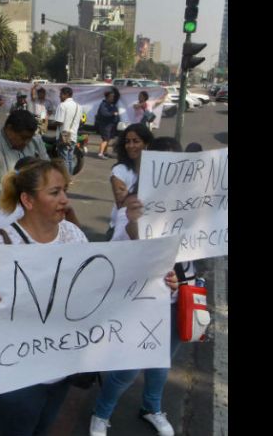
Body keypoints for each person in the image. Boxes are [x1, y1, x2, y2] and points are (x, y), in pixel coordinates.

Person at [0, 159, 88, 436]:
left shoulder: (74, 235)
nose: (65, 200)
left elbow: (93, 291)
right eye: (54, 192)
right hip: (18, 376)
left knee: (42, 429)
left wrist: (154, 284)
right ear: (28, 199)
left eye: (64, 191)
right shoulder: (2, 245)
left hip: (61, 368)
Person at [89, 137, 184, 436]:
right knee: (129, 367)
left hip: (177, 297)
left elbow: (194, 253)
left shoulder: (191, 201)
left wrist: (182, 281)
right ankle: (101, 415)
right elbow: (118, 251)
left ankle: (152, 407)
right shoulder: (132, 202)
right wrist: (132, 222)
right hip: (141, 297)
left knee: (161, 363)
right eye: (160, 162)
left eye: (174, 162)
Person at [0, 109, 49, 220]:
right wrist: (16, 191)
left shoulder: (35, 141)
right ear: (9, 129)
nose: (26, 142)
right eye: (23, 137)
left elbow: (47, 168)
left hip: (30, 214)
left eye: (29, 138)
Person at [106, 123, 154, 239]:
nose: (131, 145)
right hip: (120, 232)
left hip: (149, 231)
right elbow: (122, 203)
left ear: (146, 144)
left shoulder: (155, 170)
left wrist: (129, 196)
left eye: (136, 141)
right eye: (127, 141)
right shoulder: (120, 170)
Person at [51, 87, 82, 176]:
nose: (59, 96)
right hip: (73, 136)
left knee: (64, 159)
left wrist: (51, 122)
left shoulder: (62, 105)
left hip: (63, 136)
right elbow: (79, 121)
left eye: (60, 94)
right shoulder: (78, 106)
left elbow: (59, 122)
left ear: (66, 95)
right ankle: (69, 178)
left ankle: (66, 178)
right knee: (70, 158)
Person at [95, 87, 121, 160]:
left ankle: (104, 152)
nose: (113, 98)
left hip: (110, 125)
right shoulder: (103, 104)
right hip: (105, 125)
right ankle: (100, 153)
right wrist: (113, 114)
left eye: (113, 97)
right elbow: (104, 114)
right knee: (105, 139)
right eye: (111, 97)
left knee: (108, 139)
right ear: (108, 97)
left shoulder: (111, 104)